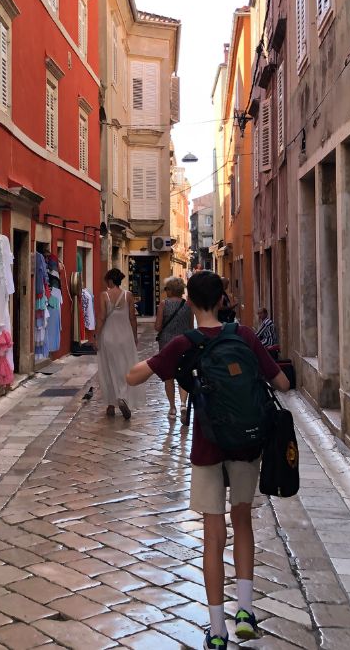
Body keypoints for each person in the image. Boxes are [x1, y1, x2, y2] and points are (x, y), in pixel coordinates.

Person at [126, 271, 290, 649]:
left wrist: (143, 364)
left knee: (213, 537)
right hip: (247, 445)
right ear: (221, 300)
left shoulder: (186, 343)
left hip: (208, 447)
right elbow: (281, 383)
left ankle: (217, 631)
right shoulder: (246, 336)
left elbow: (134, 377)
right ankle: (245, 611)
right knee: (243, 521)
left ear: (190, 301)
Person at [93, 268, 139, 419]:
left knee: (108, 368)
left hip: (109, 337)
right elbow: (133, 317)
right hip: (125, 336)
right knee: (125, 367)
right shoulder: (128, 295)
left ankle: (111, 405)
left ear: (110, 281)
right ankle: (123, 396)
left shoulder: (104, 295)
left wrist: (96, 337)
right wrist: (134, 336)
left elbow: (101, 317)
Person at [154, 276, 194, 421]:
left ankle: (172, 408)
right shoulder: (188, 305)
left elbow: (158, 327)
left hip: (166, 344)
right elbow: (191, 327)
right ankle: (183, 404)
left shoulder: (163, 304)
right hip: (184, 343)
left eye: (166, 289)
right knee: (183, 373)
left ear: (170, 290)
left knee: (169, 376)